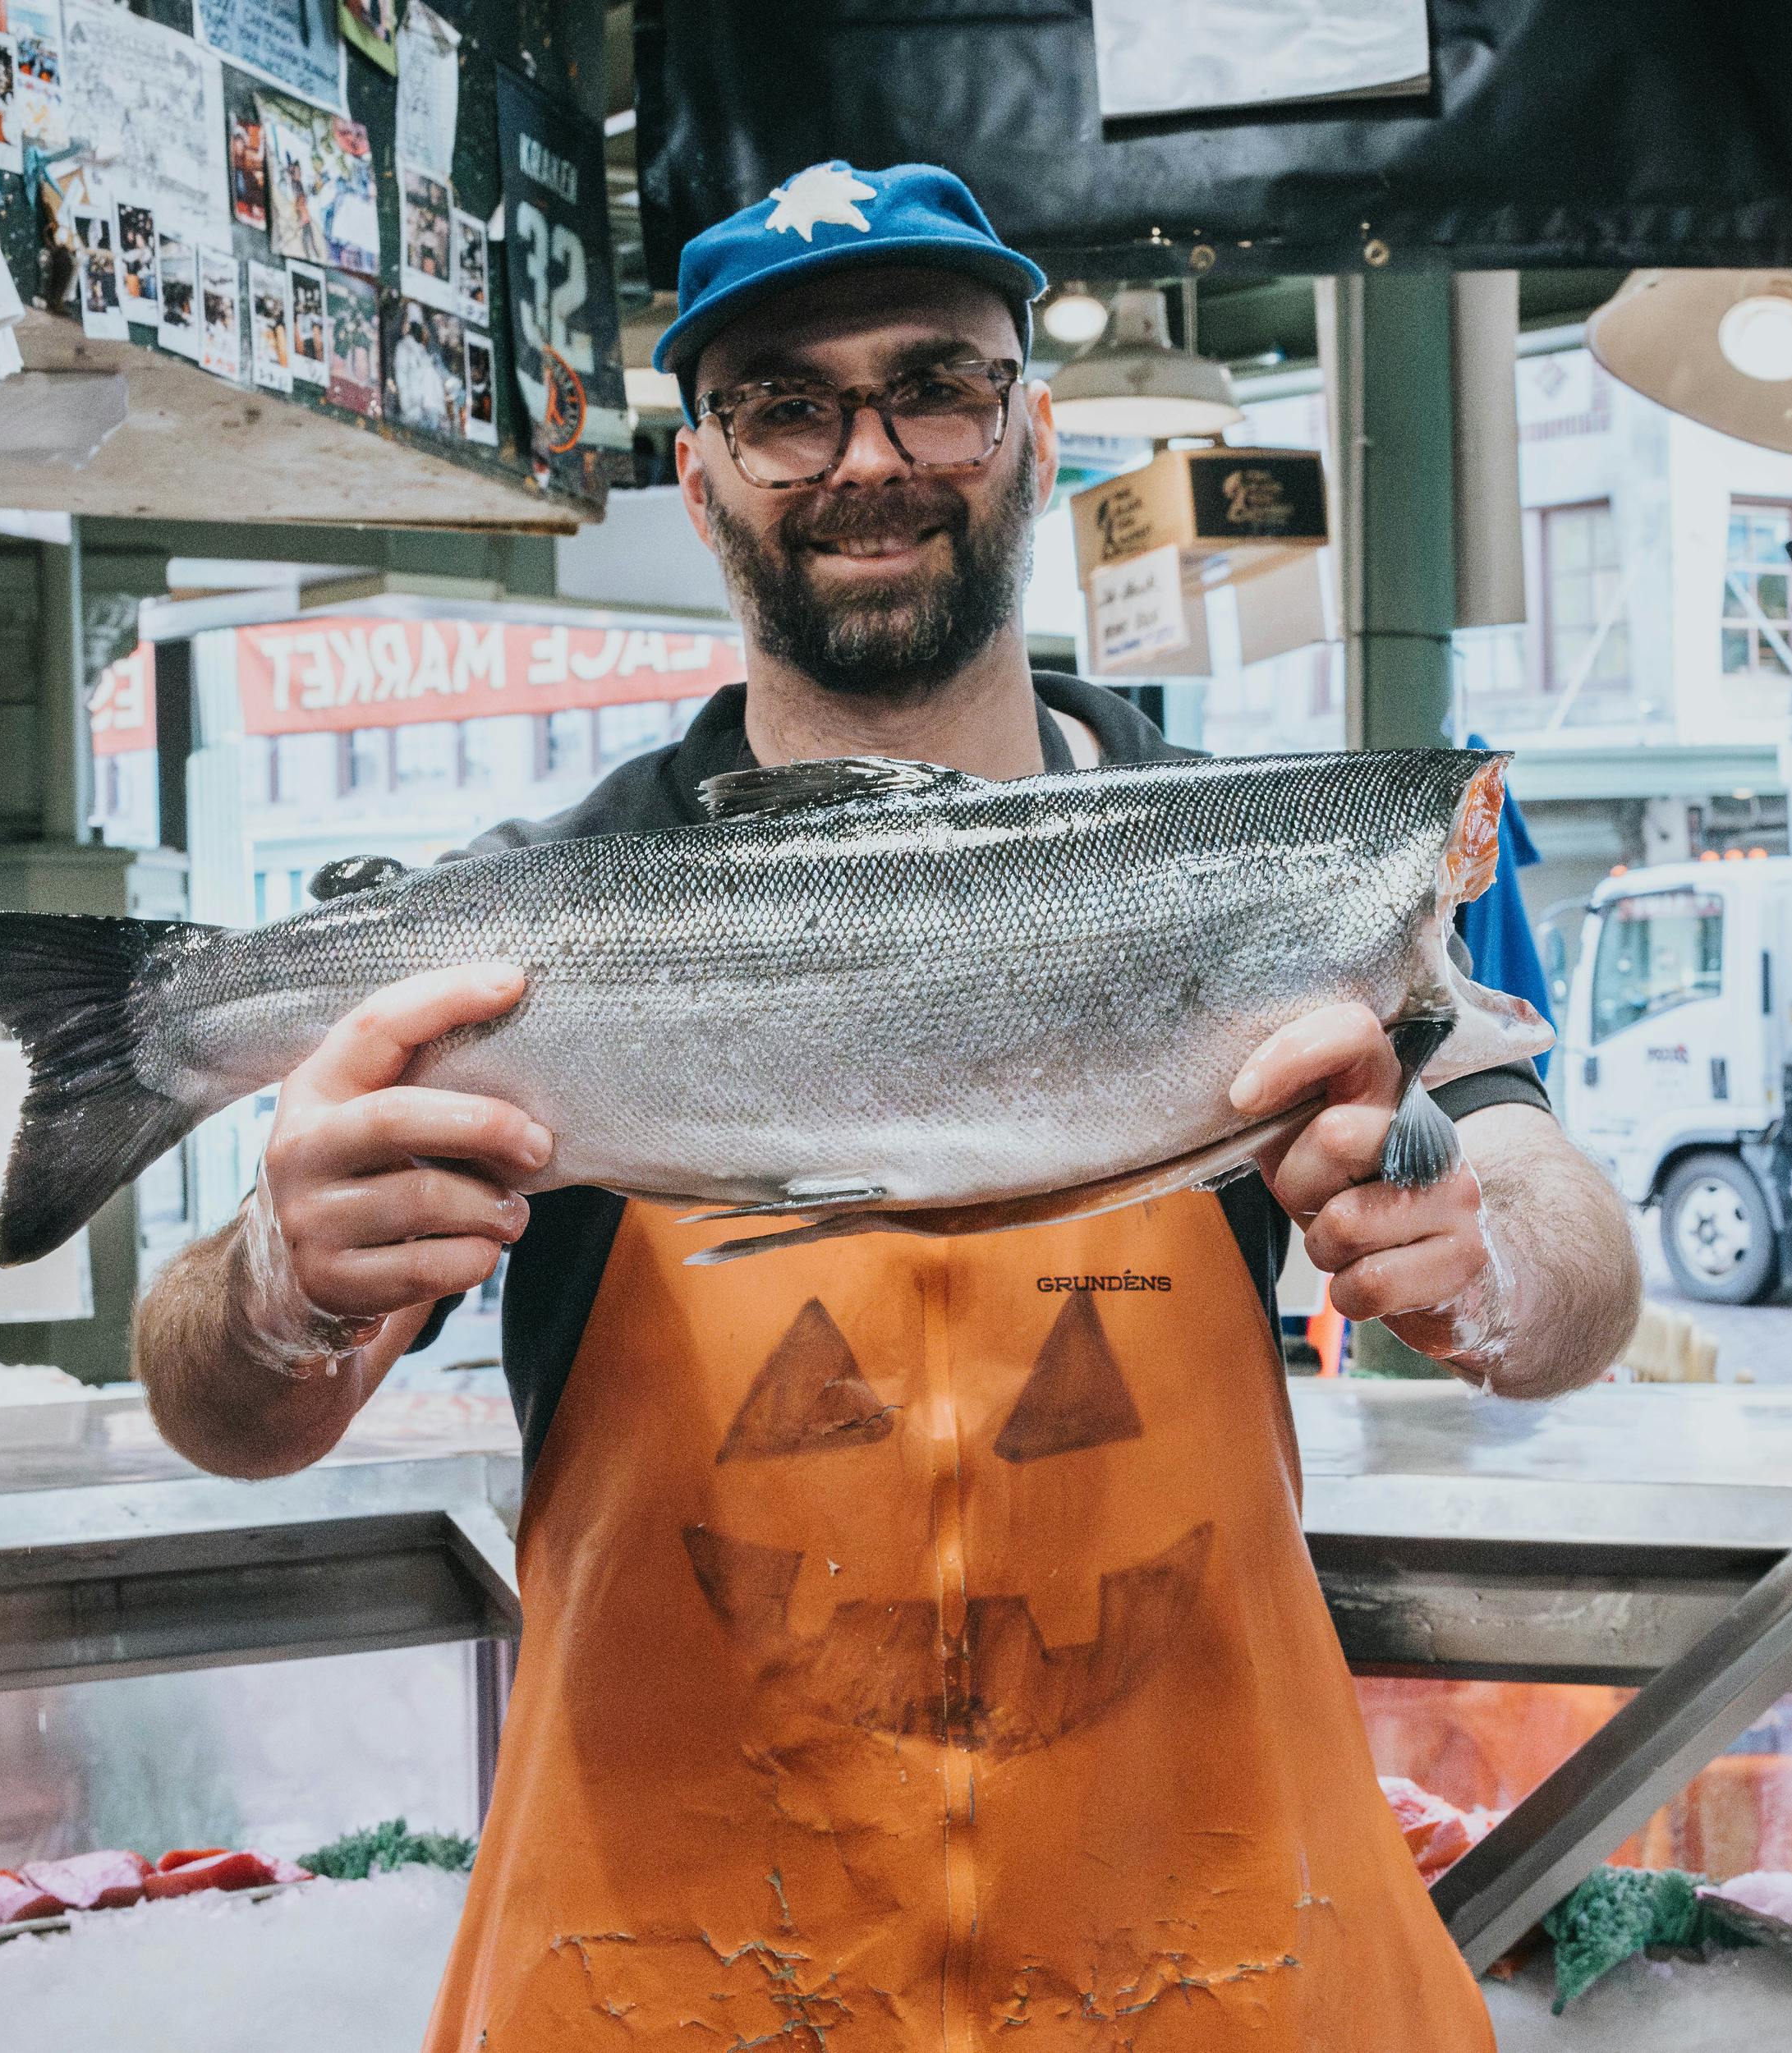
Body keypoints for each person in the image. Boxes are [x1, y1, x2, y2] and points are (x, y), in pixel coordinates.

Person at [134, 163, 1640, 2050]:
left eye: (938, 383)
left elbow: (1567, 1252)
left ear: (1031, 434)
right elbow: (219, 1405)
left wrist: (1481, 1249)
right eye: (784, 404)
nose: (871, 454)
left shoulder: (1257, 873)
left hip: (1209, 1973)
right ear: (698, 478)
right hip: (675, 1984)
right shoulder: (531, 930)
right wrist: (288, 1278)